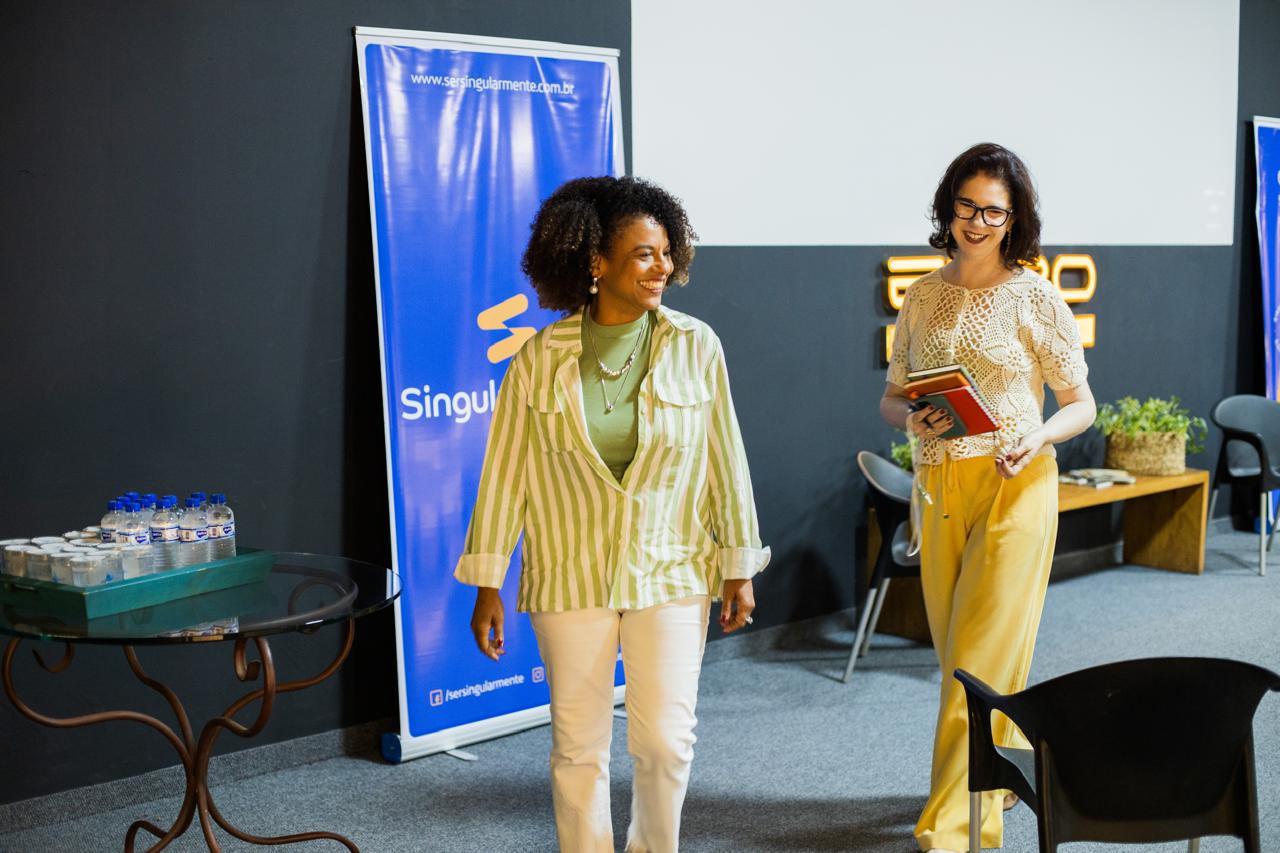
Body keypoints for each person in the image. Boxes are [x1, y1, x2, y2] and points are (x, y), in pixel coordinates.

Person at [455, 176, 769, 853]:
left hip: (672, 566)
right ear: (596, 262)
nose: (663, 268)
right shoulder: (538, 360)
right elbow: (505, 474)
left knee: (666, 741)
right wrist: (487, 582)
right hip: (569, 572)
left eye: (667, 253)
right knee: (578, 746)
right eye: (644, 255)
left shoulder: (696, 345)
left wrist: (739, 564)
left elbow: (726, 459)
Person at [880, 143, 1096, 852]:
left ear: (1014, 219)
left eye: (993, 211)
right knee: (961, 660)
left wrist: (1039, 435)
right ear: (948, 208)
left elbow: (1081, 404)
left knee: (975, 663)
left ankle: (952, 829)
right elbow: (891, 398)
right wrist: (910, 418)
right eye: (967, 206)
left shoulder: (1034, 294)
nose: (977, 221)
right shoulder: (922, 295)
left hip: (1016, 484)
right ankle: (998, 774)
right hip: (940, 488)